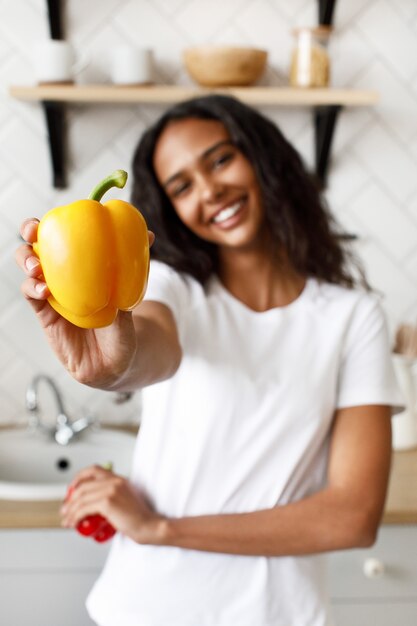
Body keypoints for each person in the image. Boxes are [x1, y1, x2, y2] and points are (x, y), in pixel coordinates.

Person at [16, 95, 402, 626]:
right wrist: (110, 364)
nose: (209, 190)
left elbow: (352, 518)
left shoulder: (353, 318)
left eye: (220, 160)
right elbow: (152, 349)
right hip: (144, 609)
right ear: (172, 209)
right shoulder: (176, 290)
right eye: (181, 186)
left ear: (263, 158)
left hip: (279, 615)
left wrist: (162, 529)